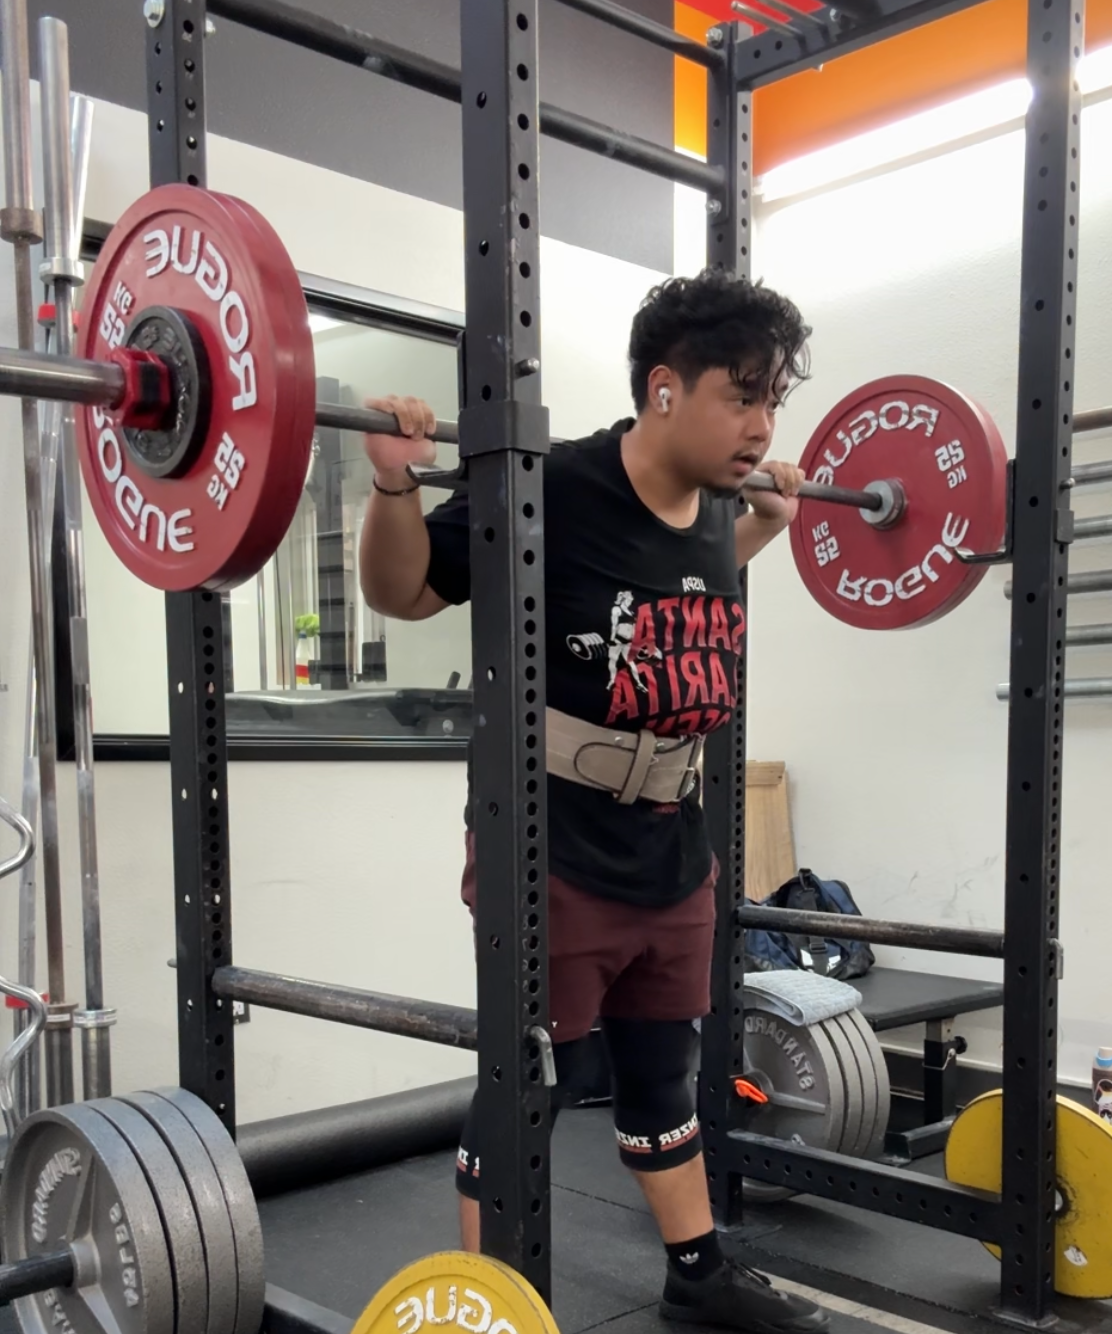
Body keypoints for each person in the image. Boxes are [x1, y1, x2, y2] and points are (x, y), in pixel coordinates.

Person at [357, 268, 827, 1334]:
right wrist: (391, 487)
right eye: (741, 395)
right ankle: (496, 1308)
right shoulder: (550, 485)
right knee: (536, 1081)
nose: (761, 425)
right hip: (552, 849)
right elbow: (406, 589)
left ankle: (695, 1270)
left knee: (666, 1065)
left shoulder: (718, 510)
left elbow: (676, 593)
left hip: (673, 848)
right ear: (665, 387)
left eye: (772, 402)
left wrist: (766, 531)